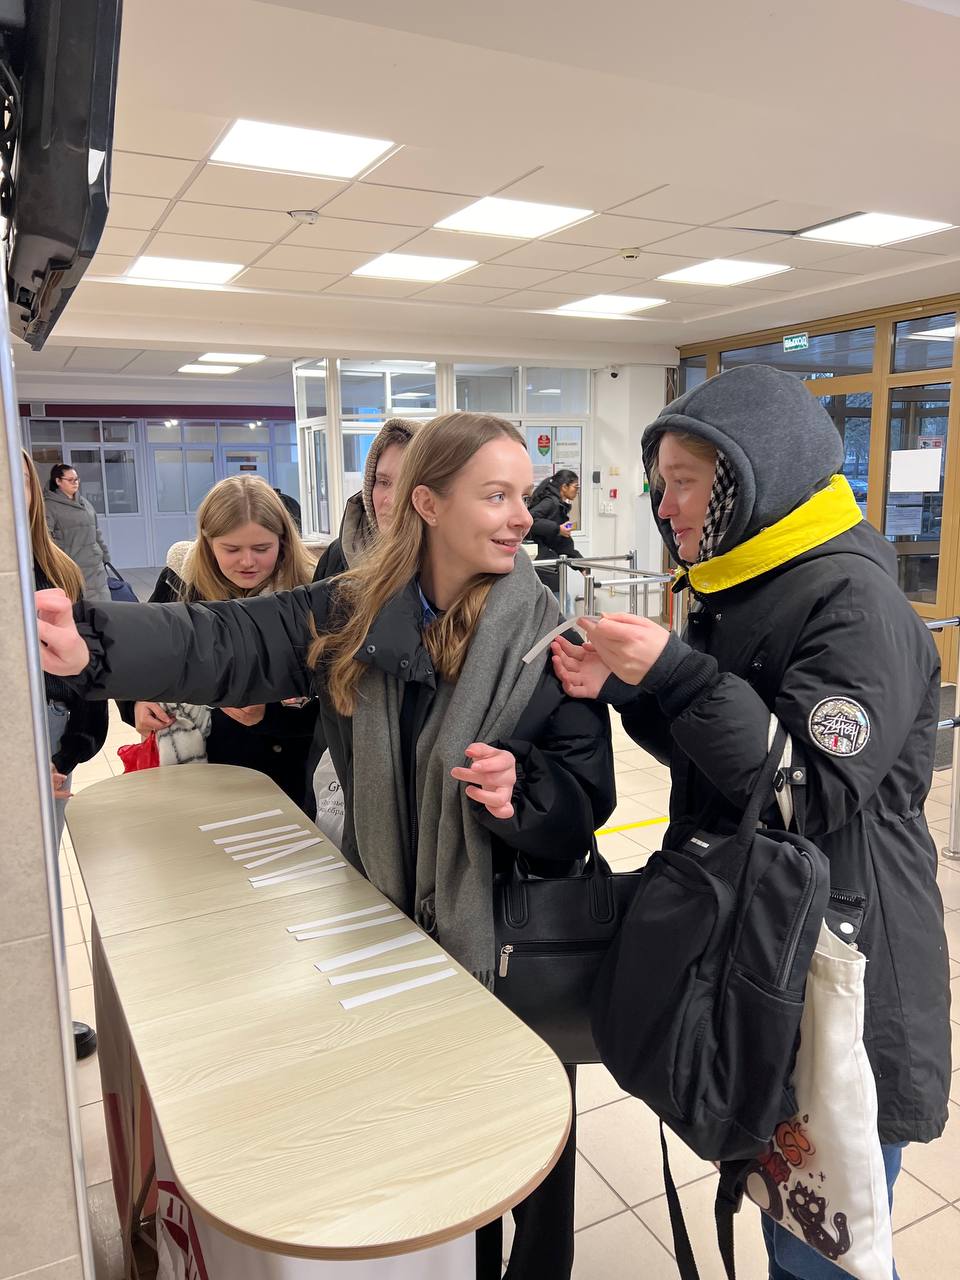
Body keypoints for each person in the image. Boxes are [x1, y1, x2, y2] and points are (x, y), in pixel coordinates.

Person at [37, 411, 615, 1280]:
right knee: (434, 1148)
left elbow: (585, 801)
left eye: (520, 495)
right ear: (427, 503)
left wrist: (522, 795)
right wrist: (92, 644)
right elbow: (225, 641)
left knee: (527, 1158)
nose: (518, 516)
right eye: (494, 495)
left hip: (507, 945)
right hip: (391, 929)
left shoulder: (546, 639)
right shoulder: (352, 613)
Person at [551, 364, 951, 1280]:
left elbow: (801, 794)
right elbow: (722, 771)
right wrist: (635, 690)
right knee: (785, 1224)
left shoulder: (853, 601)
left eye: (684, 482)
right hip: (773, 953)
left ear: (751, 476)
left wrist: (678, 674)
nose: (665, 507)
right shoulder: (749, 585)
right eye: (660, 485)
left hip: (848, 969)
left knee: (826, 1252)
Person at [119, 475, 319, 811]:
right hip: (200, 774)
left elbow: (338, 702)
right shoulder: (180, 583)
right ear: (208, 543)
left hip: (289, 777)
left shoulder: (311, 594)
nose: (247, 561)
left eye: (262, 548)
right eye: (231, 549)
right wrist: (136, 703)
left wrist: (269, 716)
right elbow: (136, 658)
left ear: (284, 541)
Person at [22, 450, 107, 1061]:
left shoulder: (53, 567)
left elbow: (84, 669)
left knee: (36, 887)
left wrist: (72, 751)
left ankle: (41, 1010)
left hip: (47, 736)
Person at [312, 417, 418, 580]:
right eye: (383, 482)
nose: (391, 500)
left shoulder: (449, 568)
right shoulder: (336, 558)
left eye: (407, 485)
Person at [44, 462, 111, 603]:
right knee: (82, 606)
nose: (75, 483)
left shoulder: (85, 503)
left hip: (96, 566)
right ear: (58, 481)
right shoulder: (49, 506)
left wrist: (104, 554)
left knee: (104, 605)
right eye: (70, 480)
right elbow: (46, 539)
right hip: (73, 567)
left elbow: (96, 531)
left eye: (77, 479)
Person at [525, 469, 583, 610]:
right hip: (545, 565)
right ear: (564, 487)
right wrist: (557, 528)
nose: (577, 491)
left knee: (562, 603)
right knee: (561, 605)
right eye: (575, 487)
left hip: (548, 564)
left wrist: (580, 564)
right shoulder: (550, 502)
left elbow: (561, 544)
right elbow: (530, 520)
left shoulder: (558, 505)